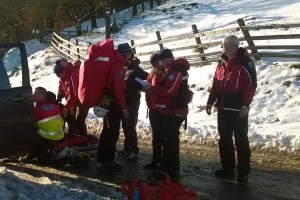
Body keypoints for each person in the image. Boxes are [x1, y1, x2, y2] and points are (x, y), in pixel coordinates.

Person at [206, 34, 257, 183]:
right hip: (222, 107)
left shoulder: (245, 62)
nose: (223, 48)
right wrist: (210, 102)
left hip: (238, 108)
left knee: (240, 139)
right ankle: (227, 168)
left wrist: (245, 105)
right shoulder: (221, 63)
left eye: (225, 45)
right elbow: (216, 84)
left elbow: (251, 85)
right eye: (222, 45)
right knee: (225, 139)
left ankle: (243, 171)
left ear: (233, 46)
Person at [144, 49, 190, 181]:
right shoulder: (171, 70)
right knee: (167, 138)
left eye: (161, 60)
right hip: (167, 109)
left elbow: (170, 90)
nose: (160, 63)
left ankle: (171, 169)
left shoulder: (176, 70)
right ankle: (168, 167)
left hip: (174, 110)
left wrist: (151, 89)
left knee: (169, 139)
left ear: (167, 59)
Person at [96, 49, 129, 171]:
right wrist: (124, 108)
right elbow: (118, 90)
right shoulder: (118, 67)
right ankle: (108, 161)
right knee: (112, 133)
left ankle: (100, 159)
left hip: (106, 102)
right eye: (130, 54)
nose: (131, 57)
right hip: (114, 105)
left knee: (106, 131)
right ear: (125, 54)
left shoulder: (111, 64)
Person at [117, 43, 149, 161]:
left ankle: (134, 151)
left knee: (130, 126)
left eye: (127, 55)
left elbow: (149, 80)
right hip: (124, 102)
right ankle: (127, 149)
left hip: (133, 102)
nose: (126, 58)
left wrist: (142, 87)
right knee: (125, 126)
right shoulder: (125, 68)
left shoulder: (137, 70)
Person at [53, 58, 89, 137]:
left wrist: (66, 108)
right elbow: (61, 84)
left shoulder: (72, 75)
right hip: (73, 100)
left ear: (61, 71)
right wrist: (60, 94)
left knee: (80, 120)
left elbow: (74, 95)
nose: (58, 76)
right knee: (71, 118)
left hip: (83, 98)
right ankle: (74, 136)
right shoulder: (63, 76)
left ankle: (83, 138)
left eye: (58, 74)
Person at [144, 53, 166, 169]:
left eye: (155, 63)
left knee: (164, 135)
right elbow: (147, 87)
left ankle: (164, 160)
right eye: (152, 64)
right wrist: (149, 103)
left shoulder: (167, 72)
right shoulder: (152, 73)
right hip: (154, 109)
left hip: (164, 109)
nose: (154, 66)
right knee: (156, 136)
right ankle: (156, 159)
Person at [31, 87, 64, 161]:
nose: (33, 96)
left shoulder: (37, 109)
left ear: (41, 96)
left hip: (49, 140)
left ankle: (35, 156)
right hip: (60, 136)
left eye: (35, 94)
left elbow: (33, 124)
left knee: (31, 131)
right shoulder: (56, 107)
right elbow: (62, 122)